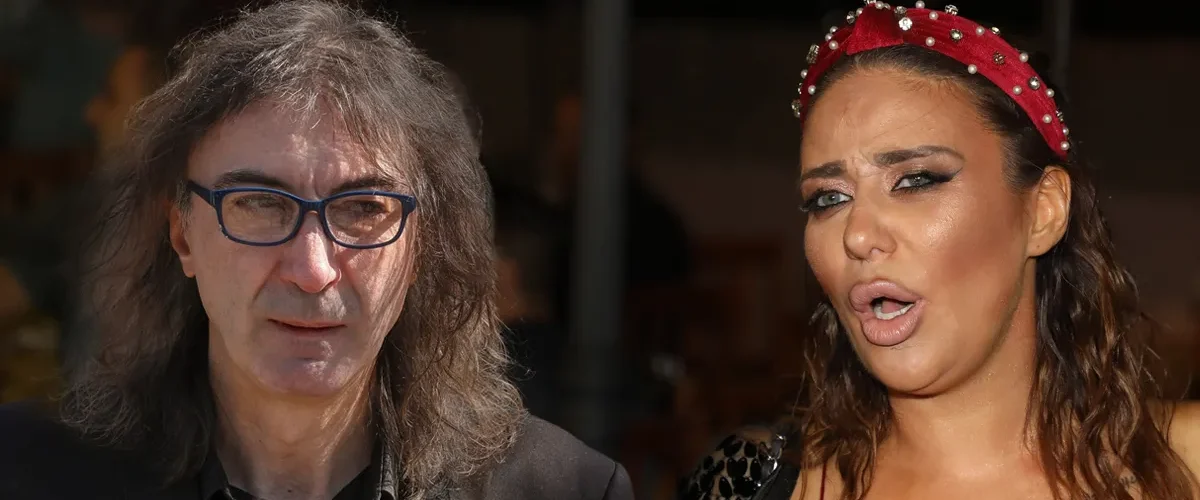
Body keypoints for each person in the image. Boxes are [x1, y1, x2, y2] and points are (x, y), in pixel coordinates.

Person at [0, 2, 634, 499]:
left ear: (421, 243)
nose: (312, 269)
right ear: (182, 233)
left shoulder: (566, 490)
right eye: (259, 202)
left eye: (363, 209)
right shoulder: (29, 476)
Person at [681, 3, 1200, 500]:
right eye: (829, 199)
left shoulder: (1186, 461)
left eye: (916, 180)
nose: (856, 235)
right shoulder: (753, 483)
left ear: (1043, 211)